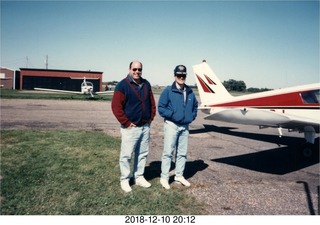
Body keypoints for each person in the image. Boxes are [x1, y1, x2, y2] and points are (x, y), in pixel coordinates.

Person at [111, 61, 156, 193]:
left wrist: (150, 118)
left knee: (142, 153)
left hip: (145, 126)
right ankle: (125, 179)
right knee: (126, 155)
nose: (137, 72)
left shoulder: (146, 84)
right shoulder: (122, 85)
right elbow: (116, 107)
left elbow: (152, 103)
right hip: (130, 128)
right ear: (129, 69)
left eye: (139, 69)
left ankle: (139, 177)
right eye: (134, 69)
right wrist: (126, 122)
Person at [158, 65, 198, 189]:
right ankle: (164, 177)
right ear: (175, 76)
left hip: (184, 126)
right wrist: (173, 115)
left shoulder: (190, 91)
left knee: (182, 153)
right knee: (168, 153)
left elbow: (195, 106)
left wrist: (190, 117)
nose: (181, 77)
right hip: (172, 125)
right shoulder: (168, 91)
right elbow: (161, 108)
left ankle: (179, 175)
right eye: (179, 75)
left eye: (183, 75)